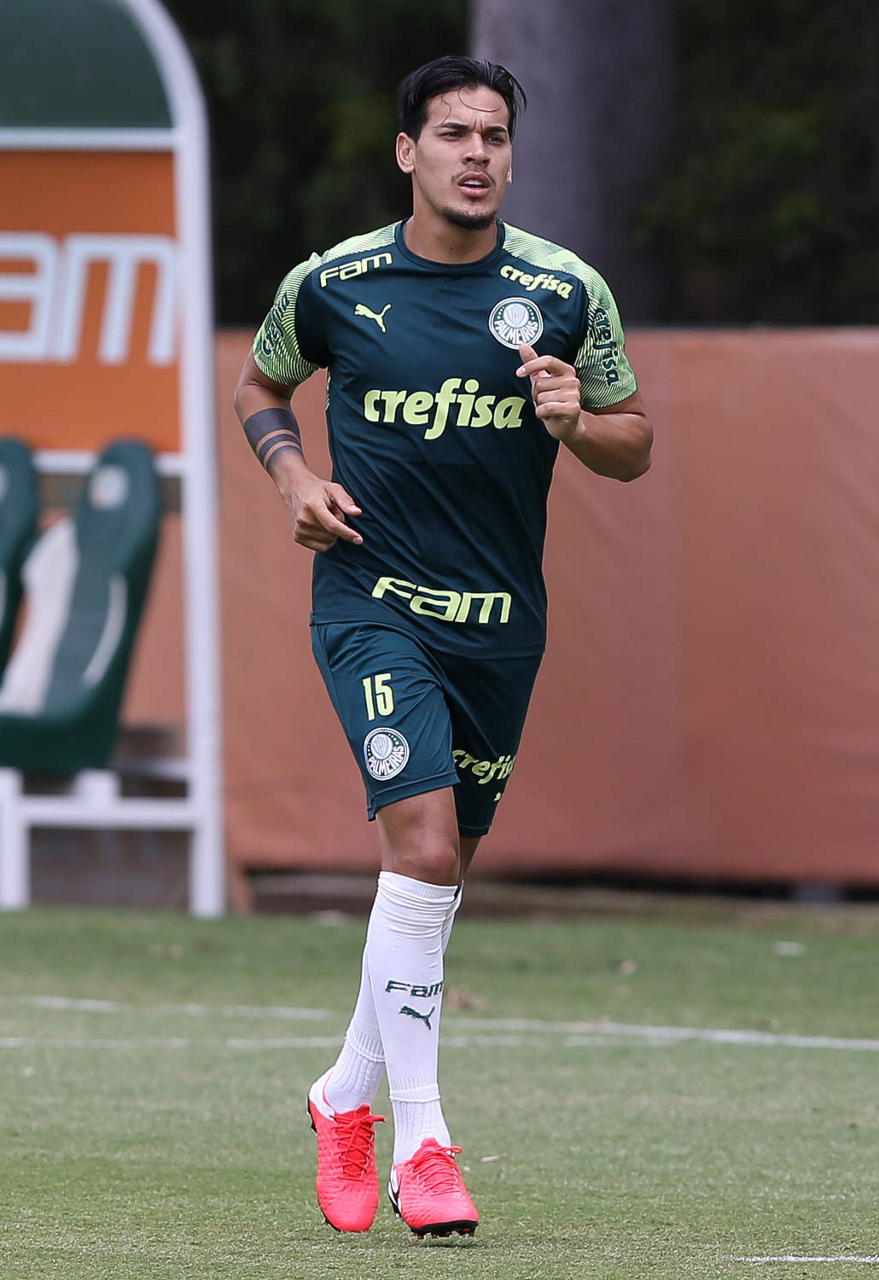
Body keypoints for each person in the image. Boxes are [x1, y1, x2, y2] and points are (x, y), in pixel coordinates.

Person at [234, 54, 652, 1239]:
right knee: (419, 848)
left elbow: (634, 441)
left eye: (495, 135)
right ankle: (424, 1144)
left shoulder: (564, 290)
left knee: (437, 875)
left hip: (500, 626)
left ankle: (343, 1093)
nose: (478, 153)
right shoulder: (335, 282)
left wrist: (576, 421)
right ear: (407, 151)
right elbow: (260, 385)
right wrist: (294, 476)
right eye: (455, 133)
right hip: (371, 602)